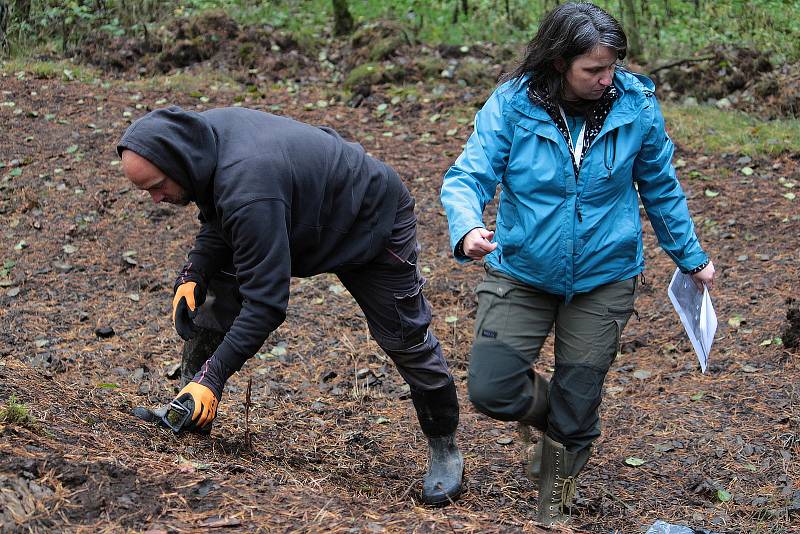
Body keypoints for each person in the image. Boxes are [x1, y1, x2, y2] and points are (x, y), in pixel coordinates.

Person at [440, 2, 715, 525]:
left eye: (612, 66)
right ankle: (570, 420)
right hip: (521, 267)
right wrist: (468, 226)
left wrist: (691, 256)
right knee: (492, 388)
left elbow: (659, 187)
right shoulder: (514, 104)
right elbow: (467, 176)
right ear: (559, 61)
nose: (606, 79)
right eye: (593, 69)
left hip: (604, 276)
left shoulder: (635, 106)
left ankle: (556, 505)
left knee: (579, 392)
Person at [118, 106, 463, 506]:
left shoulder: (248, 184)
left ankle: (444, 447)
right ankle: (190, 408)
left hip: (371, 221)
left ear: (177, 162)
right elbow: (219, 218)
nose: (157, 199)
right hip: (298, 211)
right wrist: (194, 271)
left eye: (157, 186)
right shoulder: (201, 144)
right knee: (218, 290)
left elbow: (266, 303)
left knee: (404, 335)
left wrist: (215, 377)